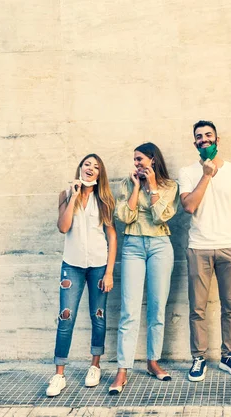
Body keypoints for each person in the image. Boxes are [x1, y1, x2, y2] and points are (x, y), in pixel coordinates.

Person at [178, 120, 231, 382]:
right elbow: (188, 206)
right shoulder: (187, 172)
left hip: (229, 247)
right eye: (199, 137)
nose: (204, 139)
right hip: (199, 247)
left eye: (209, 135)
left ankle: (228, 355)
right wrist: (206, 174)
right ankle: (199, 358)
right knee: (197, 308)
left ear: (217, 140)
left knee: (230, 306)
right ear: (195, 143)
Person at [109, 143, 179, 394]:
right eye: (135, 160)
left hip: (161, 245)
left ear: (152, 159)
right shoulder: (127, 184)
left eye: (140, 159)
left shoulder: (171, 186)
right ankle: (123, 369)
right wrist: (137, 187)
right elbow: (124, 218)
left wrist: (151, 188)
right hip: (133, 246)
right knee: (129, 310)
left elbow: (162, 216)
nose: (136, 164)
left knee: (157, 308)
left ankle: (152, 361)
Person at [46, 154, 117, 397]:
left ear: (100, 174)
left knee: (98, 316)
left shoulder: (105, 199)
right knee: (66, 318)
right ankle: (59, 375)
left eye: (96, 167)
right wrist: (74, 195)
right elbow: (63, 227)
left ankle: (95, 366)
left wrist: (109, 271)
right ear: (80, 168)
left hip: (98, 265)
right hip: (72, 266)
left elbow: (112, 236)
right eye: (87, 164)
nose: (91, 169)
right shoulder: (66, 195)